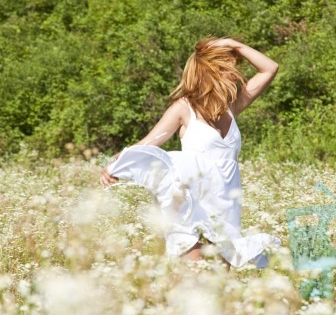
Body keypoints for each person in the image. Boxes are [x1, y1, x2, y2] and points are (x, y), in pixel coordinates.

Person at [99, 35, 281, 269]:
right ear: (210, 72)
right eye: (227, 68)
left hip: (225, 198)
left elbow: (270, 68)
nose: (234, 74)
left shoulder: (232, 107)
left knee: (222, 274)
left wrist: (235, 45)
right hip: (192, 197)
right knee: (193, 269)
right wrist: (112, 163)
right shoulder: (184, 108)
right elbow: (147, 144)